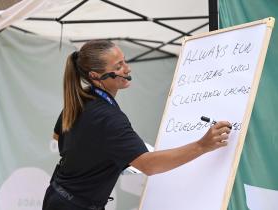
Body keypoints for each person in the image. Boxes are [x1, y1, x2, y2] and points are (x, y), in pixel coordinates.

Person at [42, 40, 231, 210]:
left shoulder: (80, 98)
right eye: (119, 66)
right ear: (95, 75)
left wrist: (104, 154)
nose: (127, 68)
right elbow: (148, 166)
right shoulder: (109, 117)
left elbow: (58, 137)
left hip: (59, 197)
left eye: (124, 61)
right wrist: (202, 145)